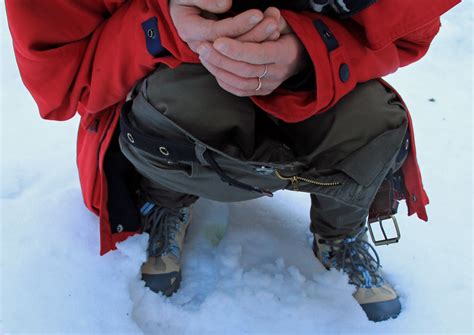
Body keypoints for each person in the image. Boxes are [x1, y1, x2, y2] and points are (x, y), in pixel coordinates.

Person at [5, 0, 459, 323]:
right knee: (177, 107)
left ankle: (340, 234)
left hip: (313, 89)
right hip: (177, 86)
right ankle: (165, 200)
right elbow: (61, 85)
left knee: (374, 122)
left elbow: (409, 31)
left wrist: (309, 51)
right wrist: (162, 24)